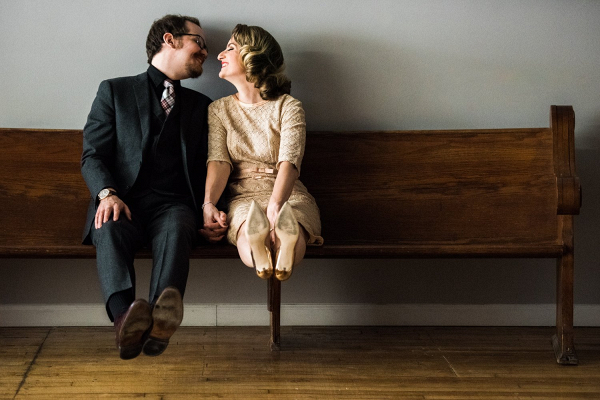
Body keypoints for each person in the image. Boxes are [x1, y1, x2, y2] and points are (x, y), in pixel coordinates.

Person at [81, 14, 226, 360]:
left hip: (174, 206)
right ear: (170, 39)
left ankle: (162, 318)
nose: (205, 52)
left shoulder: (202, 108)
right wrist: (107, 193)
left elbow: (215, 164)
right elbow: (92, 155)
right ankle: (124, 321)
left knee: (178, 226)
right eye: (199, 43)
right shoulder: (114, 91)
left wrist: (210, 210)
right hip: (123, 201)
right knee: (108, 225)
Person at [202, 24, 323, 282]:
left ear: (253, 55)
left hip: (286, 192)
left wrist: (276, 204)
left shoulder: (288, 106)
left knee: (260, 227)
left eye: (230, 48)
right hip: (247, 197)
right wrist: (209, 203)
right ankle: (282, 246)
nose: (220, 55)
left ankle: (268, 250)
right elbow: (219, 161)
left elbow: (289, 161)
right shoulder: (219, 110)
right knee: (267, 226)